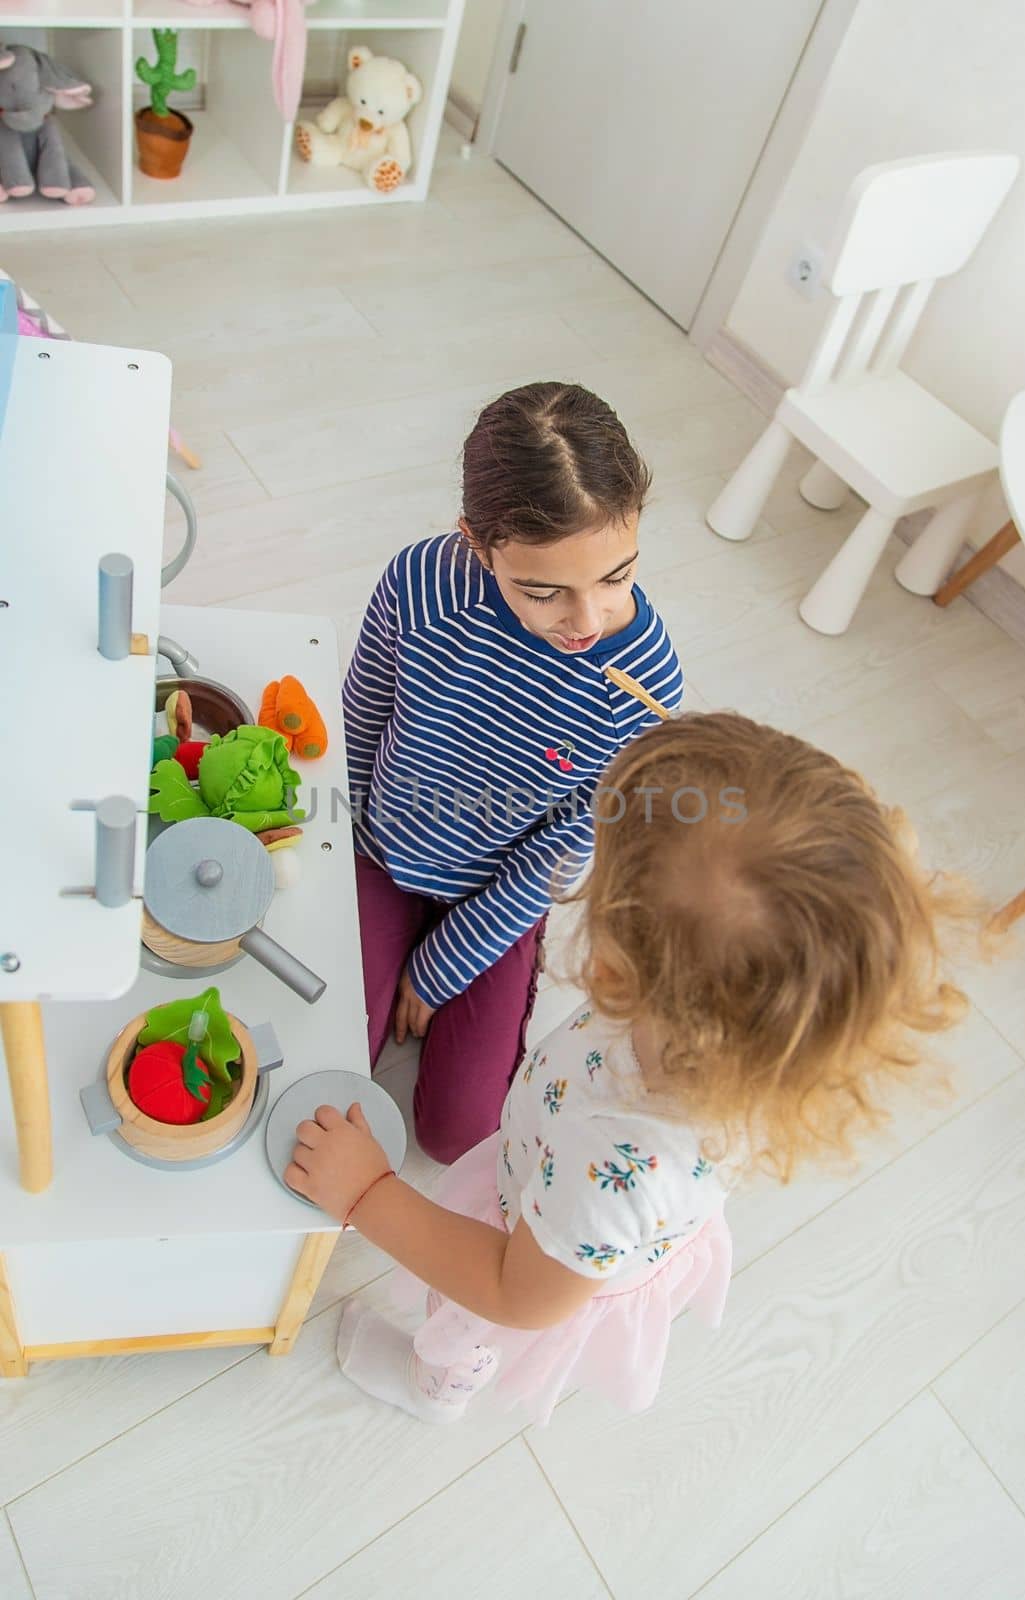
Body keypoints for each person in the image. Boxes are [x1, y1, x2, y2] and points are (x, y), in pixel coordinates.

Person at [287, 712, 972, 1426]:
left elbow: (511, 1292)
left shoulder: (615, 1161)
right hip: (557, 1178)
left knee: (456, 1318)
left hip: (535, 1245)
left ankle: (436, 1386)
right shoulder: (743, 1038)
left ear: (616, 967)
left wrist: (367, 1192)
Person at [343, 381, 682, 1163]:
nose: (587, 619)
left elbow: (559, 852)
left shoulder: (645, 681)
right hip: (382, 848)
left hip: (501, 890)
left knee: (457, 1132)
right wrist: (335, 849)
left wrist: (438, 969)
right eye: (544, 591)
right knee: (330, 1061)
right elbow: (362, 716)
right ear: (474, 541)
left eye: (616, 575)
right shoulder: (420, 581)